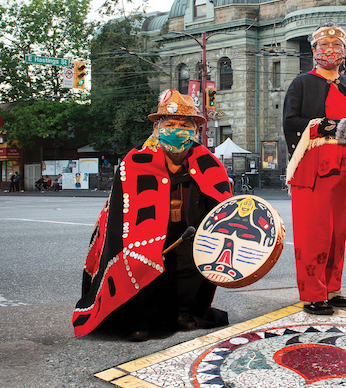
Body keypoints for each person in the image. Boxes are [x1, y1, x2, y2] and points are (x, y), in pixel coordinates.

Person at [73, 90, 233, 341]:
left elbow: (223, 206)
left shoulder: (208, 162)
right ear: (157, 128)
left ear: (195, 131)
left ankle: (184, 313)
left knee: (194, 264)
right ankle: (139, 319)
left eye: (184, 125)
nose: (177, 130)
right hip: (142, 234)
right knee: (140, 260)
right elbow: (119, 213)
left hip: (190, 231)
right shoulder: (136, 162)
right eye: (170, 124)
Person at [283, 21, 346, 315]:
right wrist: (325, 126)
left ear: (345, 52)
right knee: (315, 233)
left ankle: (332, 287)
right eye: (324, 46)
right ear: (314, 51)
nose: (330, 50)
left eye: (336, 46)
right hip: (315, 170)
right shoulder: (301, 83)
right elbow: (291, 123)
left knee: (338, 232)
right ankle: (313, 293)